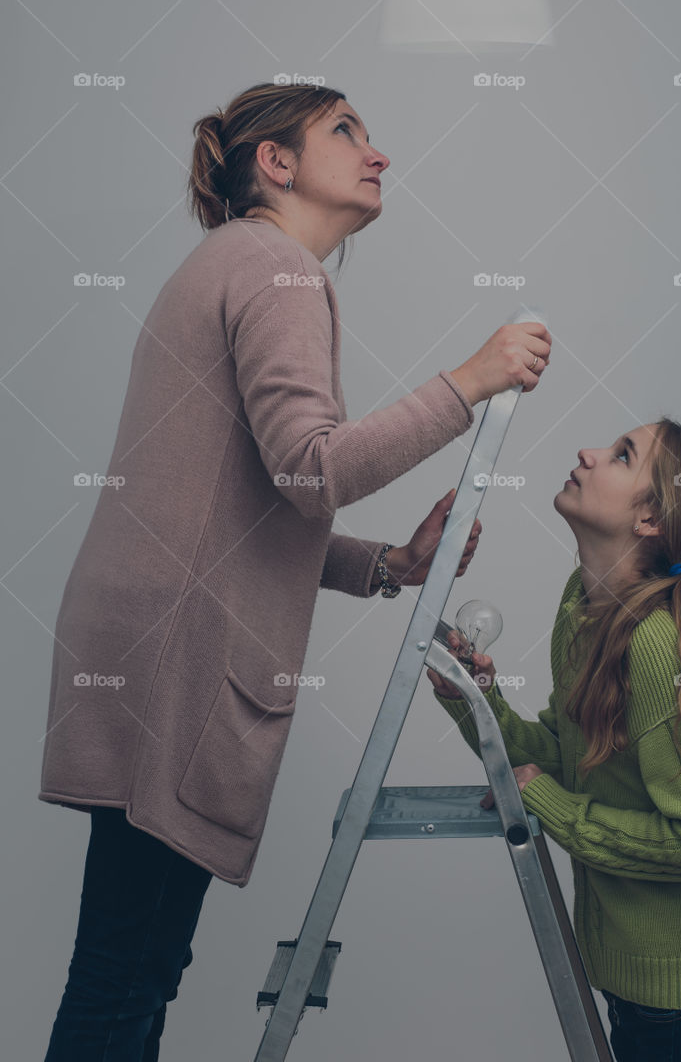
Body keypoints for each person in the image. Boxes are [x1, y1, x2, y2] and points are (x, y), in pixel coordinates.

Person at [39, 81, 552, 1061]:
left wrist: (388, 565)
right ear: (275, 162)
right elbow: (310, 468)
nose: (378, 153)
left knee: (133, 963)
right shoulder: (273, 267)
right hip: (174, 658)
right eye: (347, 131)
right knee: (125, 973)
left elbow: (232, 508)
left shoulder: (244, 263)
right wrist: (471, 379)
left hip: (153, 643)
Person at [429, 417, 681, 1062]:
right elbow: (571, 759)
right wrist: (477, 703)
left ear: (651, 519)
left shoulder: (656, 645)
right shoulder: (582, 609)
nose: (587, 452)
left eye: (621, 456)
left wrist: (554, 807)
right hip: (638, 989)